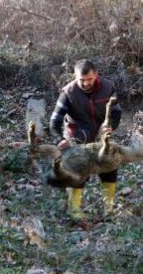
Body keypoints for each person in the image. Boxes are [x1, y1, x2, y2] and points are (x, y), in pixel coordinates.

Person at [49, 59, 122, 218]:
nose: (86, 83)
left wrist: (110, 126)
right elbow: (55, 121)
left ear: (96, 75)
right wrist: (59, 139)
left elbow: (116, 113)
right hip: (77, 139)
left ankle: (108, 209)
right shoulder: (68, 92)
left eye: (89, 79)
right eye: (81, 80)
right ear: (75, 76)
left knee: (110, 167)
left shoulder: (108, 87)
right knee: (79, 171)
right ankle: (74, 210)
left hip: (101, 138)